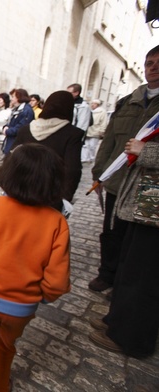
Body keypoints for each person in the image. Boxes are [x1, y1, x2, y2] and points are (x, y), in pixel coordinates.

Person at [0, 143, 71, 392]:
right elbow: (58, 280)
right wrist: (43, 298)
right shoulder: (56, 222)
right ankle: (0, 386)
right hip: (21, 308)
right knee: (6, 347)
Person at [88, 45, 159, 293]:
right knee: (111, 232)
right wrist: (100, 171)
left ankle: (125, 288)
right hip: (118, 182)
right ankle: (107, 273)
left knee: (139, 243)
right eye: (150, 63)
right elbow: (109, 140)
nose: (154, 68)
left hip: (150, 189)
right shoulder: (127, 102)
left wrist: (147, 152)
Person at [89, 118, 159, 358]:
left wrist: (147, 151)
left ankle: (131, 337)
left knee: (145, 271)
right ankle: (118, 320)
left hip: (155, 197)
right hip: (149, 194)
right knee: (130, 262)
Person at [12, 91, 83, 206]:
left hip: (21, 189)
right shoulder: (72, 133)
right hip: (50, 193)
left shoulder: (26, 129)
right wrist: (65, 198)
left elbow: (11, 159)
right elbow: (72, 169)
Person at [2, 88, 34, 155]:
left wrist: (7, 131)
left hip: (17, 145)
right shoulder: (16, 109)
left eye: (13, 96)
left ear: (19, 97)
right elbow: (10, 123)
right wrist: (5, 127)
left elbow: (21, 128)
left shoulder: (26, 111)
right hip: (10, 142)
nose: (12, 99)